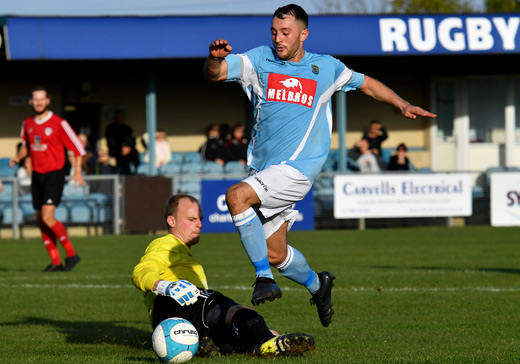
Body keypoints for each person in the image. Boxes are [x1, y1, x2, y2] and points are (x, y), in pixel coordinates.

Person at [203, 4, 436, 327]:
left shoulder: (325, 68)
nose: (278, 38)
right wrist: (215, 59)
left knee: (236, 197)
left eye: (285, 32)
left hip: (300, 169)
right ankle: (318, 284)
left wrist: (403, 103)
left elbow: (366, 83)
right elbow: (214, 74)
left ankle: (262, 279)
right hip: (264, 170)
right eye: (274, 32)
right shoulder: (258, 60)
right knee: (276, 253)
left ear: (303, 34)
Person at [132, 194, 315, 357]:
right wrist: (166, 286)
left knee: (245, 334)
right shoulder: (166, 244)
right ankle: (268, 341)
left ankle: (232, 346)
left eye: (200, 219)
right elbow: (141, 271)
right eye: (192, 219)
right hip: (175, 303)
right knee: (233, 311)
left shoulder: (182, 250)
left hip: (178, 318)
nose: (199, 224)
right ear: (171, 221)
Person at [9, 86, 84, 272]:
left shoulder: (59, 123)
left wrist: (77, 171)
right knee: (40, 220)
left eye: (42, 99)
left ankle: (72, 254)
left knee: (47, 217)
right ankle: (55, 261)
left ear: (48, 101)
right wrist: (18, 157)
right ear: (30, 102)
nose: (39, 102)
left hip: (54, 174)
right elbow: (26, 145)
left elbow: (77, 148)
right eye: (35, 99)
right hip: (37, 175)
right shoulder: (27, 123)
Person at [105, 110, 139, 174]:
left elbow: (133, 140)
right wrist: (121, 148)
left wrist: (129, 148)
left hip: (129, 151)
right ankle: (126, 174)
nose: (120, 119)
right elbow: (110, 141)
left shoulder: (127, 128)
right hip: (116, 151)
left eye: (121, 117)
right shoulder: (110, 128)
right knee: (123, 159)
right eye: (118, 117)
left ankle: (137, 173)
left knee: (135, 154)